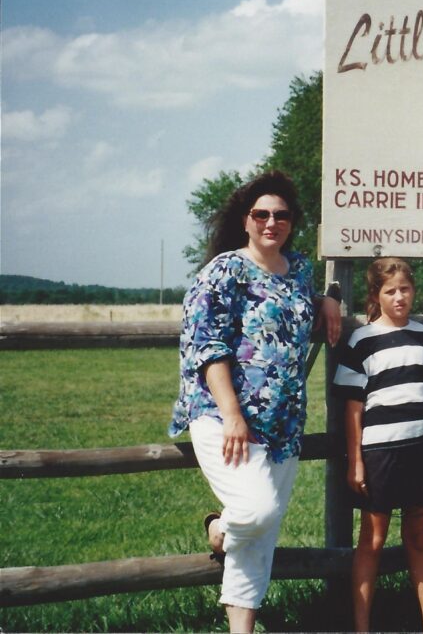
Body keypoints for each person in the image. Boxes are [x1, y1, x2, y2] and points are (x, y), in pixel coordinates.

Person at [169, 170, 340, 633]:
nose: (271, 222)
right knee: (256, 512)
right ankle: (218, 529)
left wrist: (327, 300)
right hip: (226, 417)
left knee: (263, 536)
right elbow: (207, 346)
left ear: (291, 222)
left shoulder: (299, 269)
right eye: (261, 214)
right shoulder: (223, 271)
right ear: (245, 219)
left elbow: (304, 298)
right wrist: (232, 415)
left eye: (281, 215)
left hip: (282, 423)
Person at [333, 258, 423, 633]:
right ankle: (362, 625)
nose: (399, 297)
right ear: (376, 295)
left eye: (405, 289)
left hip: (422, 449)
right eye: (390, 291)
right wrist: (356, 462)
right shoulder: (361, 341)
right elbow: (353, 409)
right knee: (372, 540)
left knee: (418, 537)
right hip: (380, 453)